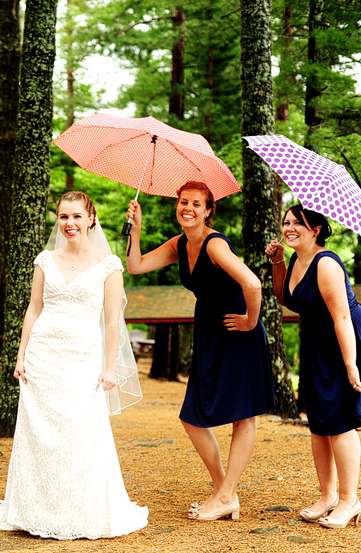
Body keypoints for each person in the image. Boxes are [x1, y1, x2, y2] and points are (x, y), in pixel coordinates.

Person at [0, 191, 147, 539]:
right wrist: (20, 354)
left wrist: (109, 367)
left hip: (83, 357)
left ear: (91, 219)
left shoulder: (110, 264)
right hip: (43, 354)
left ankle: (81, 508)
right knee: (39, 434)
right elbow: (33, 308)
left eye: (76, 216)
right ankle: (36, 508)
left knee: (80, 430)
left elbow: (109, 321)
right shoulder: (46, 259)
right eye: (63, 217)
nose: (69, 223)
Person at [125, 181, 274, 521]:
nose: (187, 208)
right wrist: (136, 230)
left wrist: (251, 321)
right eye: (182, 202)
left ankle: (224, 497)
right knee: (191, 418)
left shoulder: (214, 244)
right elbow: (136, 266)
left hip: (237, 330)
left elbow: (252, 283)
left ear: (208, 211)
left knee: (243, 414)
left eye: (196, 203)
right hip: (209, 331)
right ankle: (225, 493)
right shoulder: (181, 243)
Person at [265, 205, 361, 529]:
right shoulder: (295, 259)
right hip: (318, 340)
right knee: (318, 419)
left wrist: (351, 365)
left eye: (298, 223)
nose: (289, 228)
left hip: (345, 337)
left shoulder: (326, 263)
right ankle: (328, 496)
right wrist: (277, 262)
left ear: (316, 229)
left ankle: (350, 500)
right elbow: (285, 297)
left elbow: (343, 317)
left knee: (341, 417)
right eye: (286, 222)